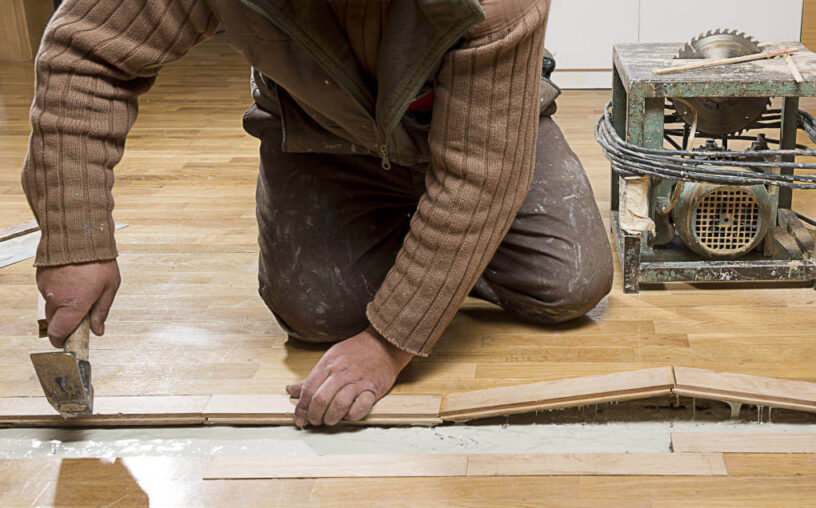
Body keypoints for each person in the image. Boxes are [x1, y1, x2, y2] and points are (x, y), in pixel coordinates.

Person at [24, 0, 613, 427]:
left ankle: (441, 248)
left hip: (479, 123)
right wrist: (77, 239)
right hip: (322, 129)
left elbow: (479, 172)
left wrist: (389, 342)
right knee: (316, 313)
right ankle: (438, 248)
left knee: (568, 282)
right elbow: (85, 54)